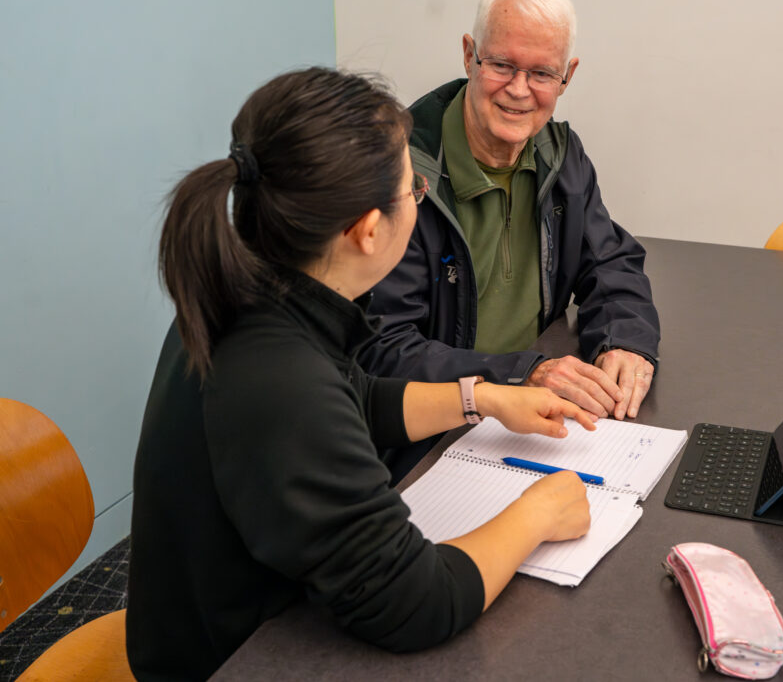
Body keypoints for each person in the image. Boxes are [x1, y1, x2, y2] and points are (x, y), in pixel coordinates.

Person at [126, 67, 595, 681]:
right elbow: (415, 602)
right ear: (368, 231)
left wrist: (480, 398)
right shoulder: (279, 379)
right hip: (244, 660)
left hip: (235, 617)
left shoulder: (253, 293)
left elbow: (354, 399)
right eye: (413, 188)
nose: (421, 191)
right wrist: (537, 514)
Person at [358, 0, 660, 452]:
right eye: (501, 65)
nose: (520, 90)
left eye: (542, 73)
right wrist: (521, 374)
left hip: (529, 422)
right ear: (469, 55)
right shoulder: (401, 175)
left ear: (567, 75)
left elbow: (608, 261)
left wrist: (624, 341)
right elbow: (385, 349)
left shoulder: (561, 154)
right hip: (432, 437)